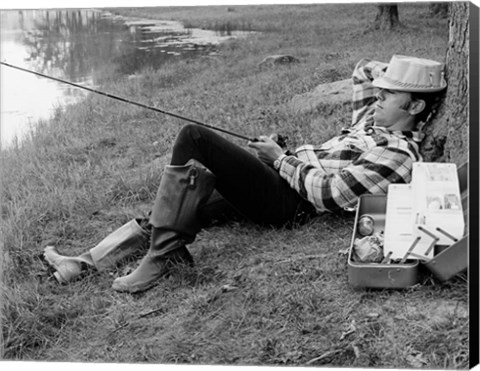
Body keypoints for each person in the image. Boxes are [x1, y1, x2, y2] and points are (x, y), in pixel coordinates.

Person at [44, 55, 447, 293]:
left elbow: (330, 194)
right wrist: (406, 78)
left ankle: (161, 257)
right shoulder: (371, 117)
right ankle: (85, 262)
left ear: (414, 109)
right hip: (283, 179)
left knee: (194, 139)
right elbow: (363, 71)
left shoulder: (398, 153)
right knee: (186, 204)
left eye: (389, 95)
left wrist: (278, 158)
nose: (377, 98)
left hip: (293, 203)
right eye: (380, 92)